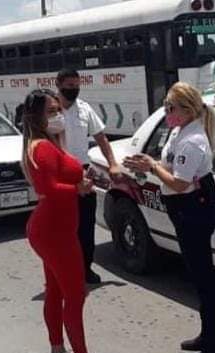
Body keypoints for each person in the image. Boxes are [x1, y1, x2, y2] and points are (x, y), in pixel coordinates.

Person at [122, 82, 215, 353]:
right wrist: (151, 163)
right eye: (165, 106)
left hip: (194, 209)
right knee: (197, 275)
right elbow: (170, 165)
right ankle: (208, 336)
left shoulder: (193, 140)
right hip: (183, 209)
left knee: (204, 279)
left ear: (187, 109)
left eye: (171, 107)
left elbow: (180, 183)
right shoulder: (178, 131)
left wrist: (152, 167)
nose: (166, 112)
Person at [22, 89, 115, 353]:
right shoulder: (42, 148)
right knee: (75, 295)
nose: (58, 115)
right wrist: (78, 188)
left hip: (54, 229)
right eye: (51, 111)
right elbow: (48, 187)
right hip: (55, 232)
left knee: (56, 291)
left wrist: (82, 180)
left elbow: (58, 179)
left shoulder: (46, 144)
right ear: (36, 117)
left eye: (58, 109)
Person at [56, 68, 121, 285]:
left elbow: (101, 138)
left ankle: (85, 268)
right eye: (70, 86)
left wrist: (112, 164)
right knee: (64, 227)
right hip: (59, 173)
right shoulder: (50, 110)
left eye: (77, 86)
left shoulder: (84, 109)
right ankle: (64, 269)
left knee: (86, 224)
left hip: (82, 171)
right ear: (59, 85)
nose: (74, 90)